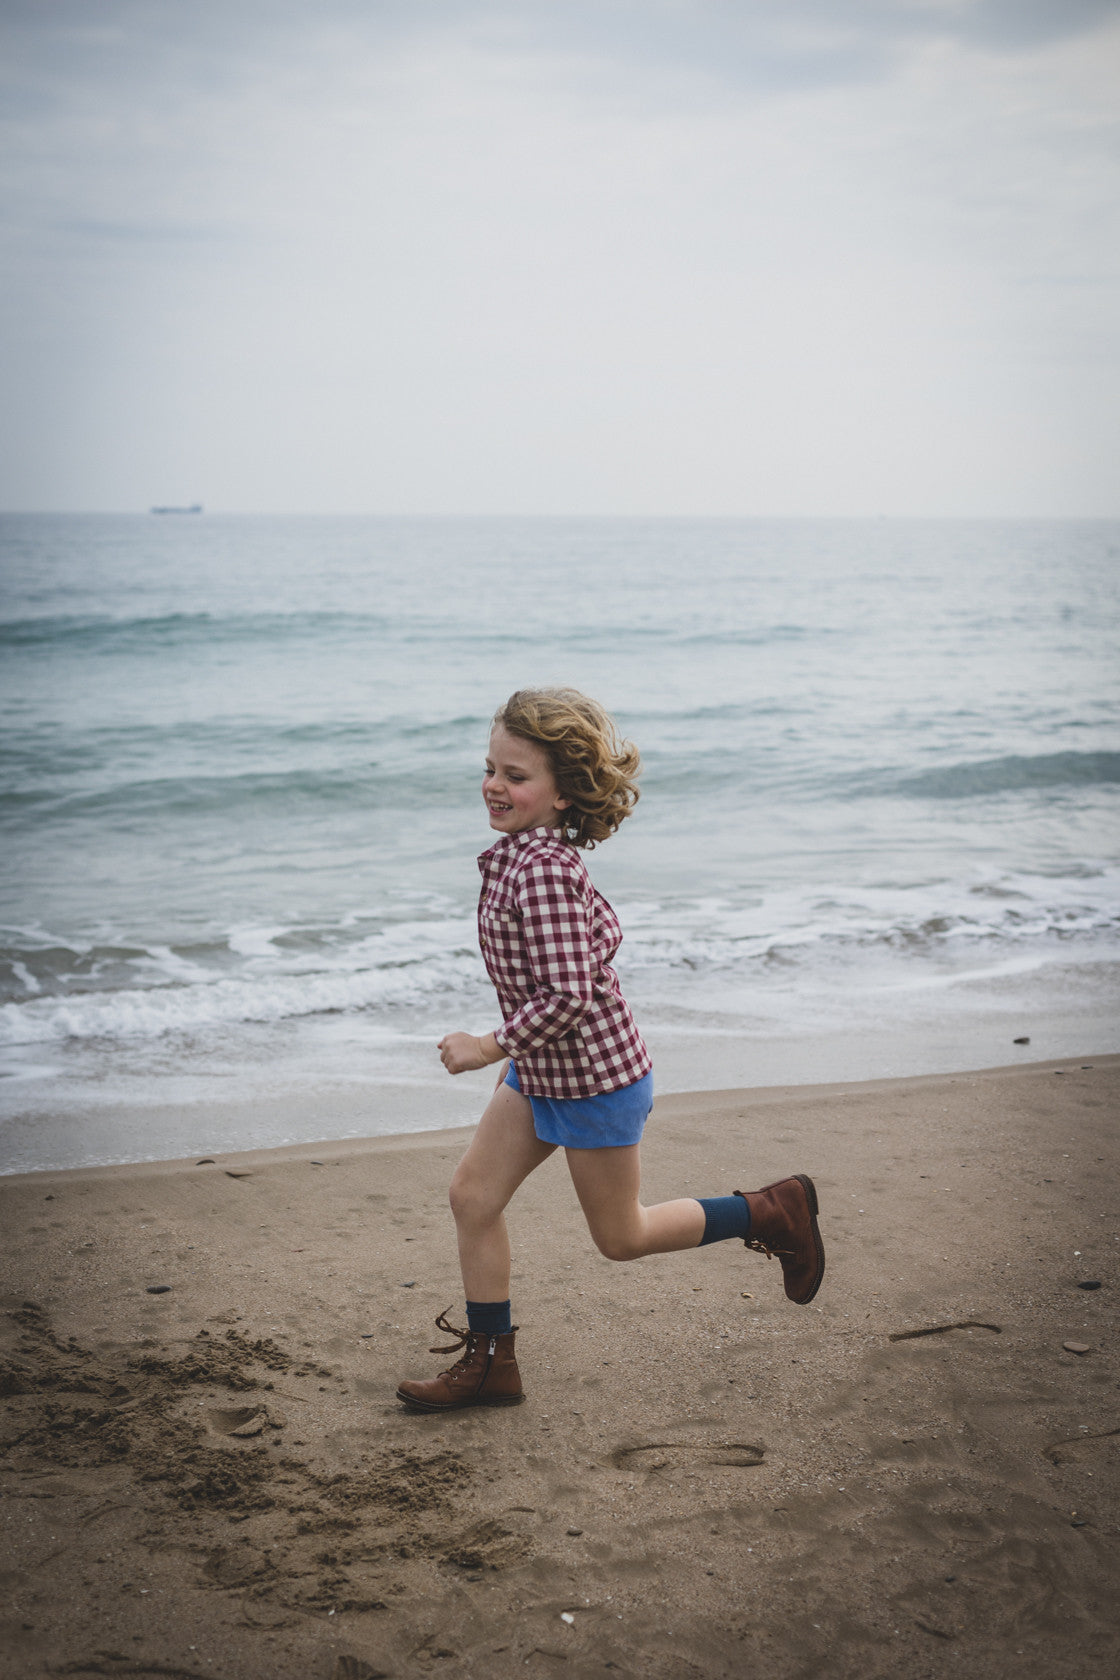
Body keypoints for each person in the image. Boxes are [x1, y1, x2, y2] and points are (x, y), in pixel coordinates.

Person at [396, 687, 824, 1413]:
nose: (494, 786)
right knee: (473, 1196)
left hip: (594, 1081)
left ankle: (771, 1211)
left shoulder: (547, 872)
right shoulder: (520, 858)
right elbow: (587, 957)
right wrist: (514, 1052)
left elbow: (568, 996)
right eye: (490, 768)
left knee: (622, 1237)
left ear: (563, 796)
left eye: (517, 776)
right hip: (542, 1070)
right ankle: (492, 1362)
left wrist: (486, 1044)